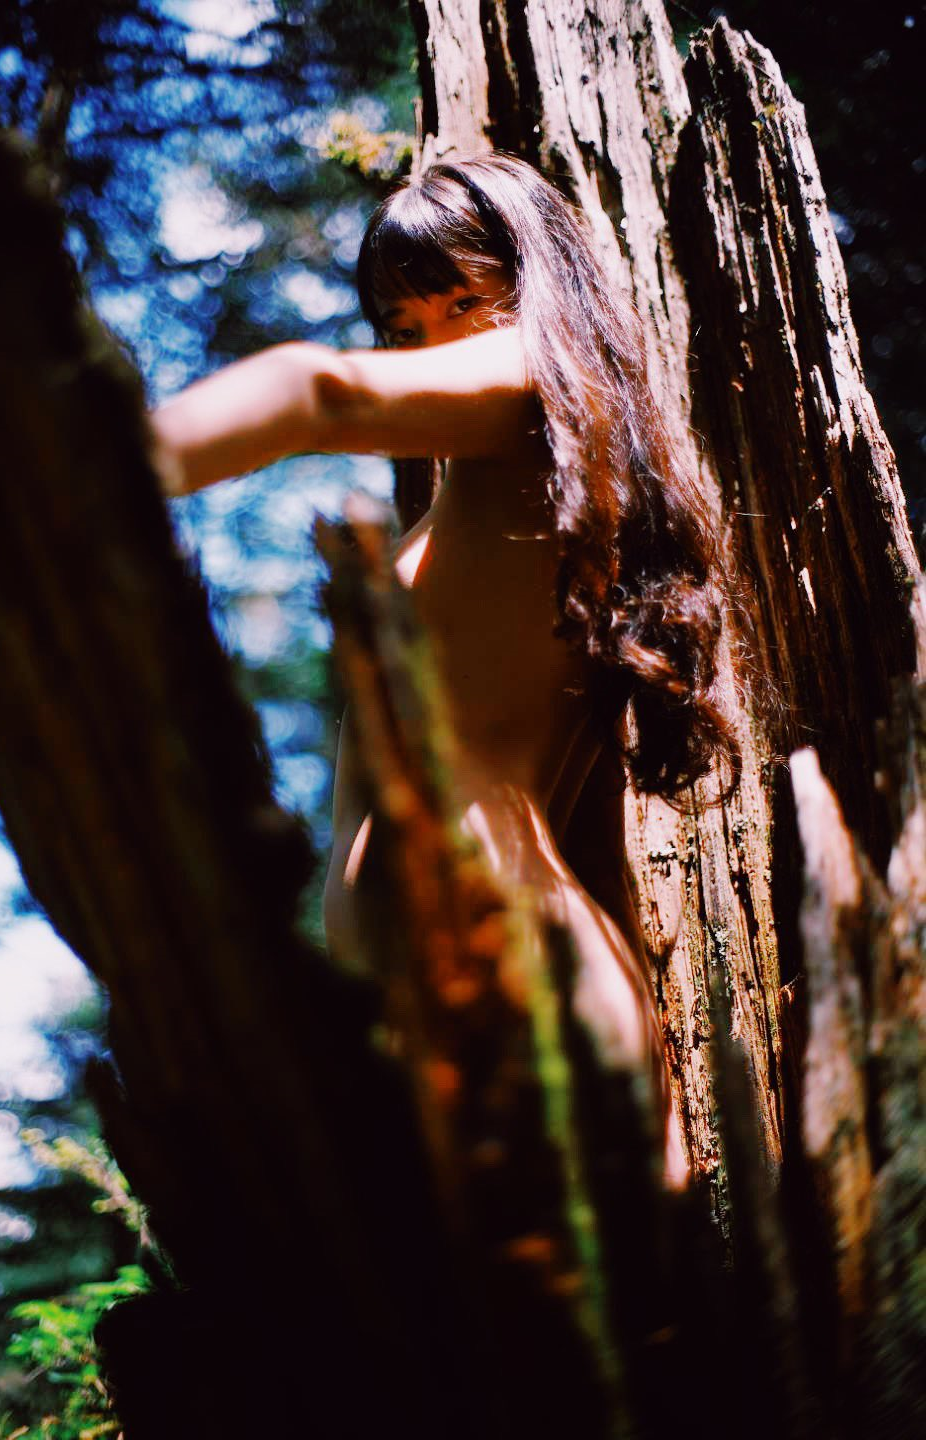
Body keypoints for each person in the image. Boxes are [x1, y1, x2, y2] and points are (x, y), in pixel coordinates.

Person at [151, 152, 740, 1189]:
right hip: (492, 975)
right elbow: (583, 848)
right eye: (405, 328)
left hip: (495, 960)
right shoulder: (528, 493)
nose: (434, 348)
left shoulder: (525, 378)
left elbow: (314, 391)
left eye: (462, 301)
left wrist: (86, 473)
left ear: (535, 286)